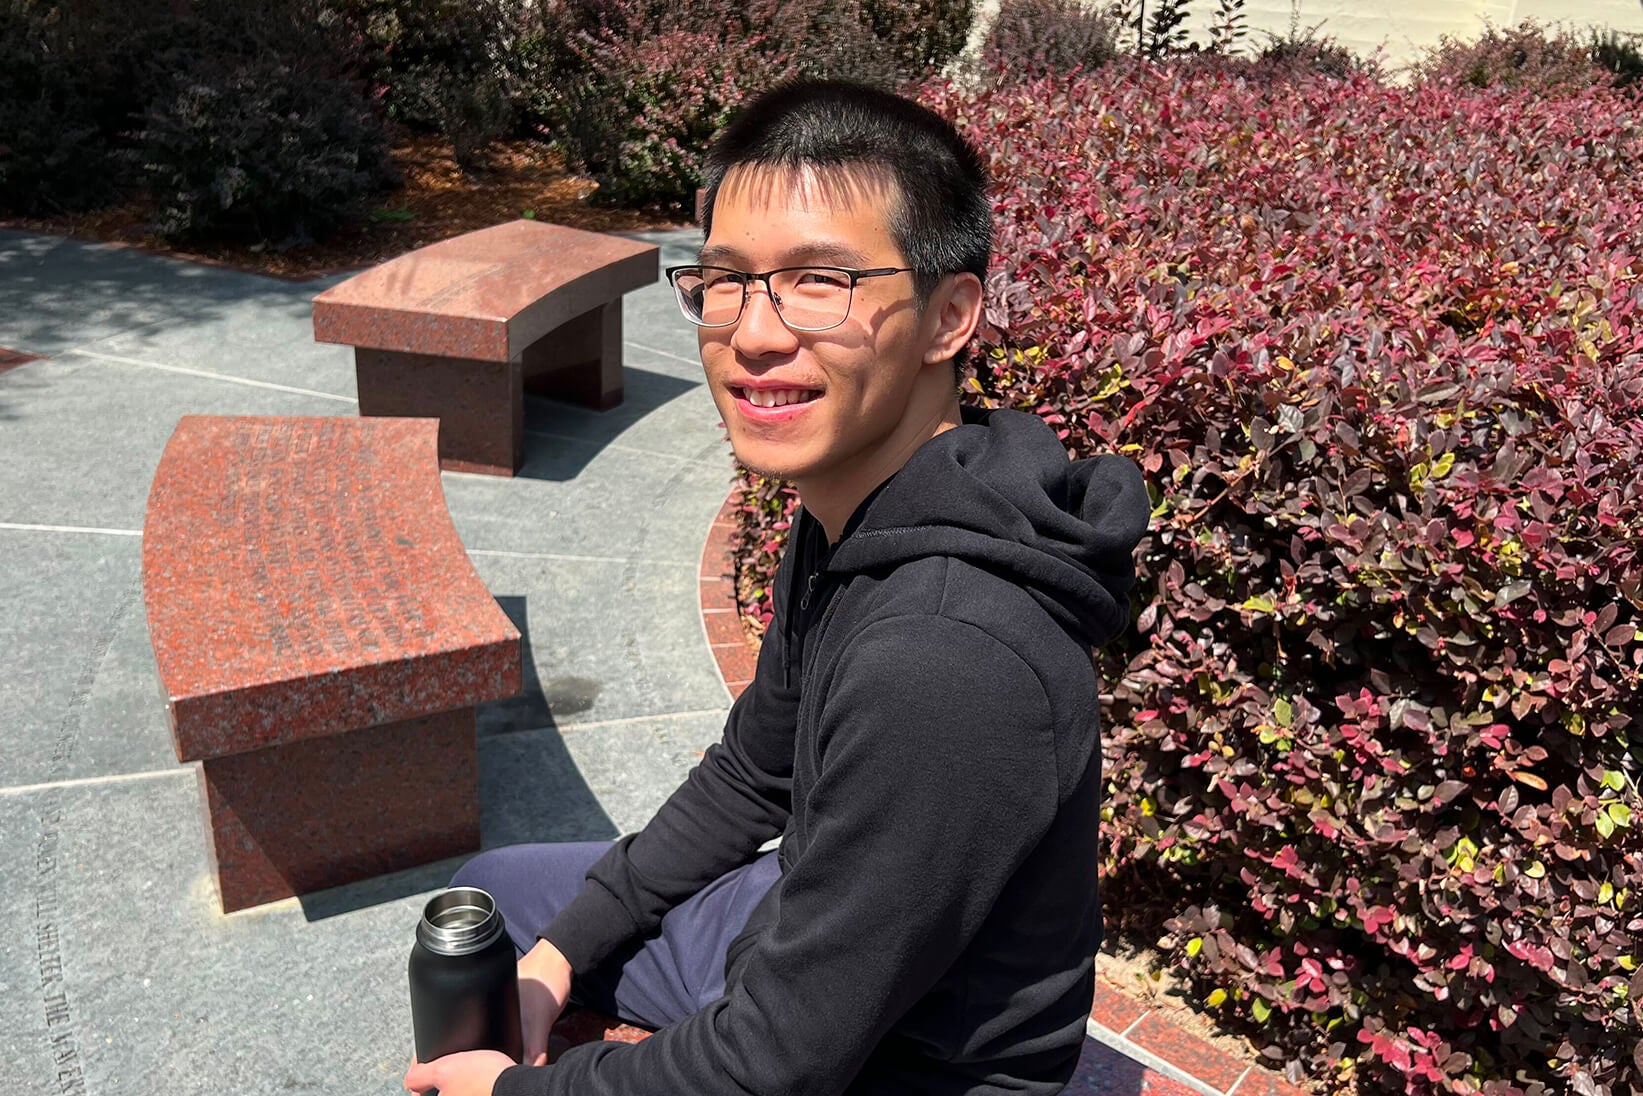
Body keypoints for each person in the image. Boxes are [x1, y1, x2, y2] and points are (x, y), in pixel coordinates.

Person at [404, 79, 1149, 1096]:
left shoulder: (947, 660)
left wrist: (512, 1091)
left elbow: (771, 1067)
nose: (752, 332)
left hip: (911, 1061)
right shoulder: (858, 505)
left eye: (819, 282)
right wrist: (562, 951)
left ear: (950, 317)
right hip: (804, 929)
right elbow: (752, 776)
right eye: (725, 280)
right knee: (498, 903)